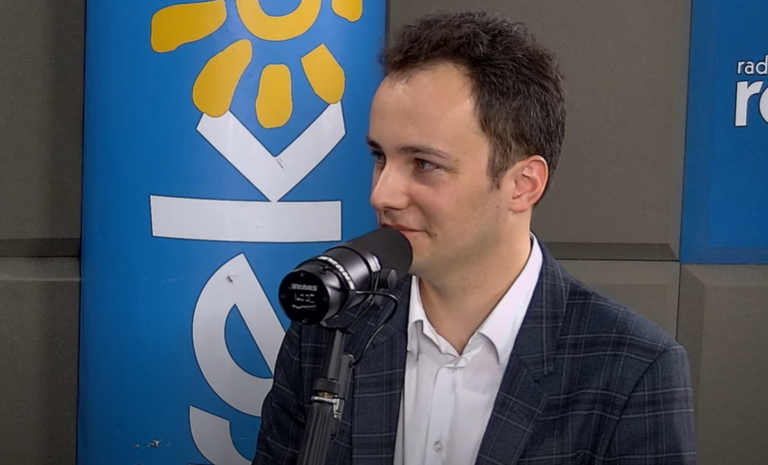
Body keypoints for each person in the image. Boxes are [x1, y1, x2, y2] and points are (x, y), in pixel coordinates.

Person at [253, 10, 696, 465]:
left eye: (424, 164)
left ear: (523, 184)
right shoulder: (330, 330)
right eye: (379, 157)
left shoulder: (633, 368)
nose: (381, 194)